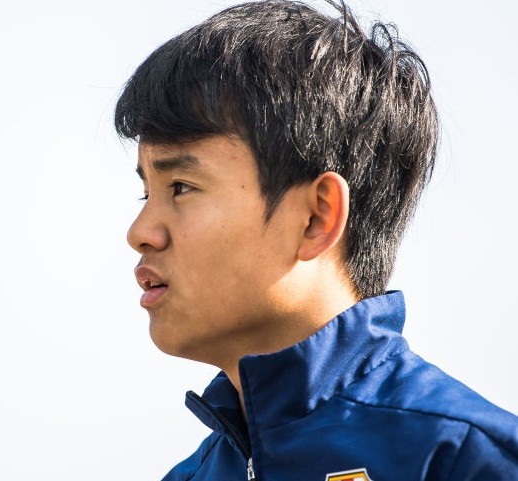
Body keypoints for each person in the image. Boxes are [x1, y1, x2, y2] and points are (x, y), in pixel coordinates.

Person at [114, 0, 518, 480]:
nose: (140, 233)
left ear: (316, 217)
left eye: (180, 187)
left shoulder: (465, 459)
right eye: (146, 192)